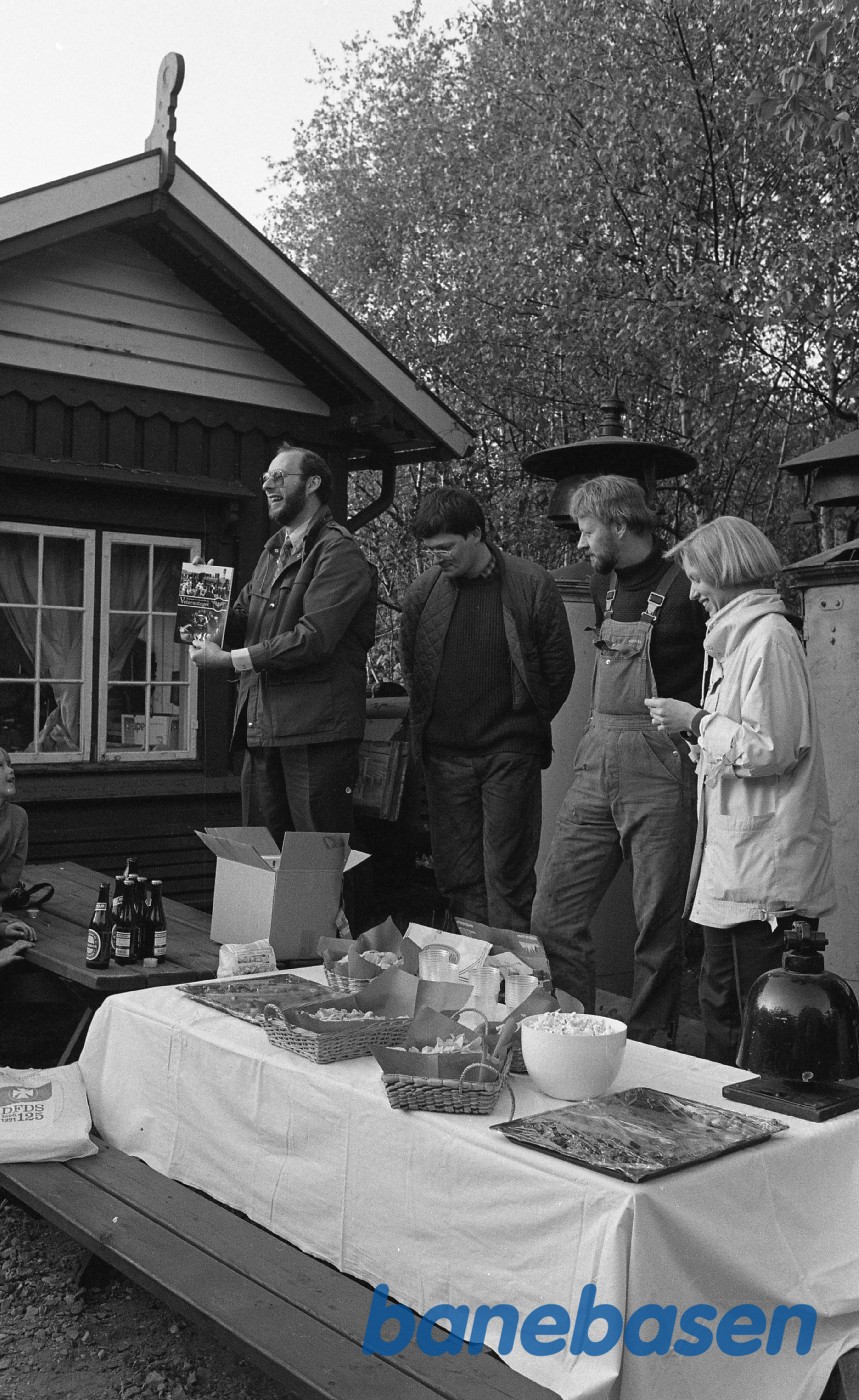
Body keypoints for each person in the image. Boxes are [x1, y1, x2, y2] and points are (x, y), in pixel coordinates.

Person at [644, 516, 835, 1064]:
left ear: (727, 570)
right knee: (722, 1001)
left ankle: (763, 1118)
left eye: (698, 578)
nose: (695, 591)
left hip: (765, 874)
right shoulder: (740, 639)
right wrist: (700, 741)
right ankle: (730, 1107)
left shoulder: (769, 639)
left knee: (762, 1008)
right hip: (738, 866)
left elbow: (773, 746)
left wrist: (696, 720)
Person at [531, 474, 706, 1045]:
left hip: (660, 766)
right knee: (553, 915)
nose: (580, 544)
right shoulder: (603, 582)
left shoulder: (687, 585)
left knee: (657, 926)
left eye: (587, 531)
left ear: (621, 526)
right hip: (596, 755)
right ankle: (579, 1032)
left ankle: (653, 1046)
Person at [400, 487, 575, 932]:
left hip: (508, 753)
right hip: (445, 759)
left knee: (508, 878)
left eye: (447, 547)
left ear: (476, 534)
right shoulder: (423, 594)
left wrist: (520, 728)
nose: (438, 558)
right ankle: (474, 979)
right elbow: (414, 667)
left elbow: (558, 669)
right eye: (430, 550)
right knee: (458, 879)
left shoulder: (530, 583)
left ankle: (513, 985)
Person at [191, 446, 377, 841]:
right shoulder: (273, 552)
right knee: (265, 855)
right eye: (266, 477)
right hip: (265, 727)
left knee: (321, 858)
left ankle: (336, 909)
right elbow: (242, 621)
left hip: (316, 734)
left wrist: (230, 661)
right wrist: (205, 600)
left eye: (279, 476)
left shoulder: (338, 551)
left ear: (312, 484)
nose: (267, 484)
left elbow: (313, 639)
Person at [0, 748, 37, 966]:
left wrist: (3, 927)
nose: (10, 770)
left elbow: (4, 886)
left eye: (9, 763)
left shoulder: (17, 818)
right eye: (0, 766)